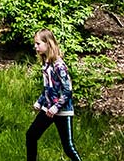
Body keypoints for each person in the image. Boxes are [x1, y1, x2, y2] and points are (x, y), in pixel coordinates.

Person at [25, 29, 82, 161]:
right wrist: (40, 102)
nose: (35, 47)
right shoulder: (46, 64)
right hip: (48, 110)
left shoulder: (59, 65)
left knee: (68, 147)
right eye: (35, 43)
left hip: (62, 111)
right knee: (31, 135)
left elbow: (67, 90)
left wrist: (56, 107)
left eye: (38, 44)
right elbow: (48, 88)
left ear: (48, 44)